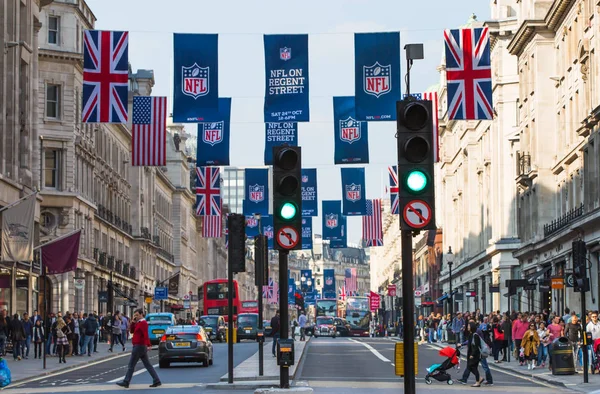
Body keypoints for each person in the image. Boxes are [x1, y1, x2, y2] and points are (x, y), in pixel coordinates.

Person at [116, 309, 161, 388]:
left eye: (137, 315)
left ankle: (126, 381)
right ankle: (157, 380)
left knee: (131, 365)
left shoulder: (143, 323)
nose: (135, 317)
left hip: (139, 346)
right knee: (148, 365)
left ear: (141, 314)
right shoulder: (138, 323)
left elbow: (145, 334)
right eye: (135, 315)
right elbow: (132, 331)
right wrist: (133, 322)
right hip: (140, 346)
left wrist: (149, 344)